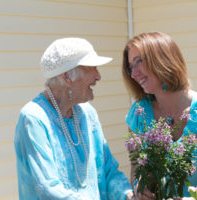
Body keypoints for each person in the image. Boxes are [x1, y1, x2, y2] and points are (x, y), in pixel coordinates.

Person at [14, 38, 135, 200]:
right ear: (67, 77)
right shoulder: (34, 118)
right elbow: (48, 189)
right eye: (92, 67)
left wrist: (128, 195)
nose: (98, 76)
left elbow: (108, 171)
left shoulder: (87, 113)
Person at [122, 32, 197, 198]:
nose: (133, 73)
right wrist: (140, 186)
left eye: (139, 61)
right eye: (130, 67)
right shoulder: (138, 114)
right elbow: (136, 172)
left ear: (162, 59)